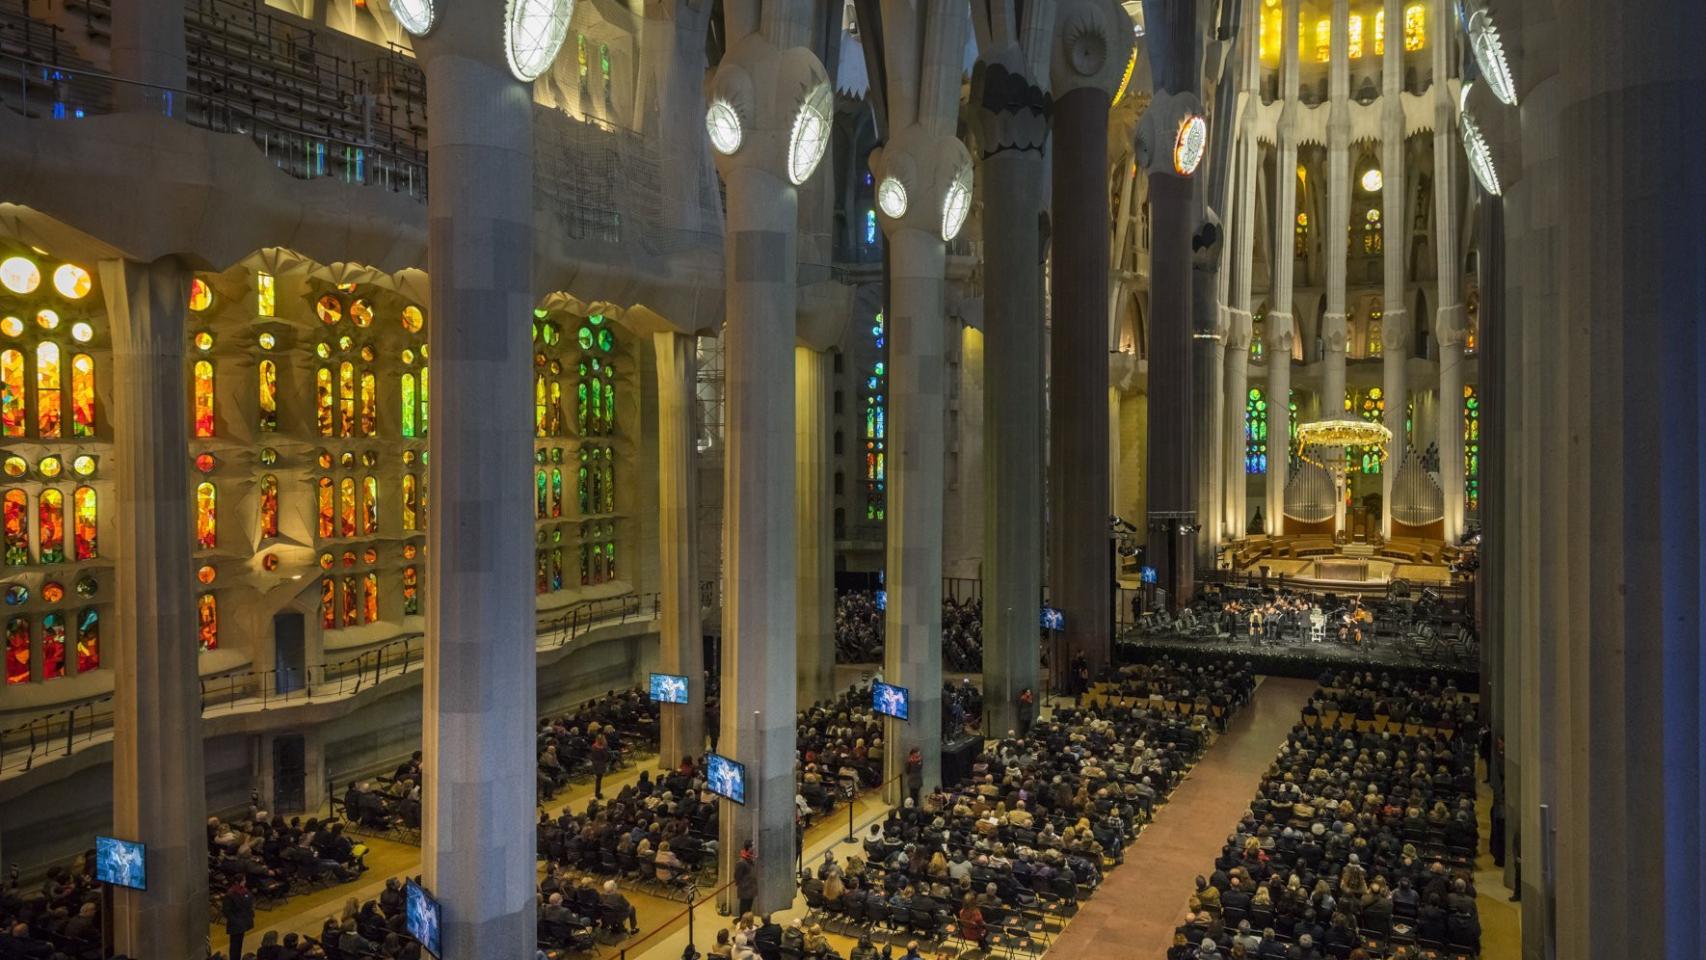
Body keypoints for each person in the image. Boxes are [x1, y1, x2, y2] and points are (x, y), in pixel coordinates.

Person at [223, 878, 255, 960]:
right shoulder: (230, 895)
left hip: (243, 921)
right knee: (235, 945)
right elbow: (226, 911)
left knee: (239, 943)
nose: (245, 882)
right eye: (244, 880)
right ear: (238, 882)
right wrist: (236, 921)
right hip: (236, 924)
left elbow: (249, 902)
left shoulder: (245, 891)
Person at [734, 843, 758, 917]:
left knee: (749, 907)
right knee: (744, 908)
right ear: (748, 848)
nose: (754, 848)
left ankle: (748, 921)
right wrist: (742, 884)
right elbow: (737, 875)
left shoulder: (751, 859)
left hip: (751, 887)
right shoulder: (741, 862)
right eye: (752, 847)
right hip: (745, 888)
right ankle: (742, 922)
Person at [589, 734, 611, 799]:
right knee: (598, 780)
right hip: (600, 765)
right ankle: (597, 794)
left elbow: (591, 756)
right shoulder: (603, 748)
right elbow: (605, 757)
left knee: (598, 779)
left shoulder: (593, 746)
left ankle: (597, 793)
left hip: (594, 764)